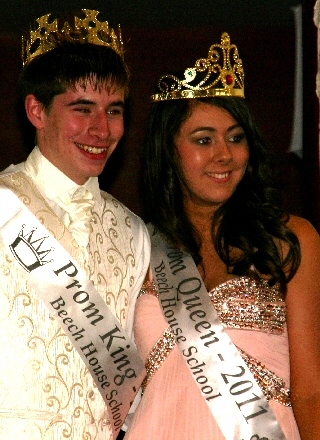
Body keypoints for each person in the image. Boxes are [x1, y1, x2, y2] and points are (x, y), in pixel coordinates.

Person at [124, 33, 320, 439]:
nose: (225, 155)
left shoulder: (290, 239)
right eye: (203, 140)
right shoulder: (137, 246)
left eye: (235, 137)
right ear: (169, 149)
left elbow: (310, 393)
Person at [0, 9, 150, 440]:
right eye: (82, 109)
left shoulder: (133, 231)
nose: (101, 129)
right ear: (37, 110)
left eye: (114, 110)